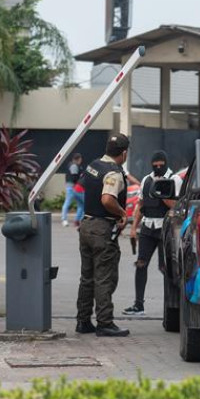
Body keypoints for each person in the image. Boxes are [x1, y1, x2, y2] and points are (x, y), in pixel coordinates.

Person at [76, 135, 132, 337]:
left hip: (86, 225)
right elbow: (108, 199)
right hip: (102, 229)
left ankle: (83, 321)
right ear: (124, 153)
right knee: (104, 278)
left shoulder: (94, 165)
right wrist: (122, 213)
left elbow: (85, 188)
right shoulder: (113, 173)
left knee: (87, 277)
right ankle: (104, 322)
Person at [123, 150, 183, 316]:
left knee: (166, 268)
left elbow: (177, 206)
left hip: (165, 230)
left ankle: (171, 308)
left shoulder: (175, 179)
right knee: (141, 264)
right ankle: (138, 305)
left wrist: (162, 193)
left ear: (166, 163)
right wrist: (134, 228)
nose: (158, 167)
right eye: (155, 164)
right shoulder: (146, 179)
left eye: (160, 165)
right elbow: (140, 205)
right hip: (147, 228)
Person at [61, 153, 85, 228]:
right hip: (74, 187)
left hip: (71, 187)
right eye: (80, 159)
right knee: (77, 203)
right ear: (79, 159)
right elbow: (74, 177)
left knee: (80, 204)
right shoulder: (74, 166)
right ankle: (66, 219)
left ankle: (76, 220)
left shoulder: (70, 164)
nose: (81, 161)